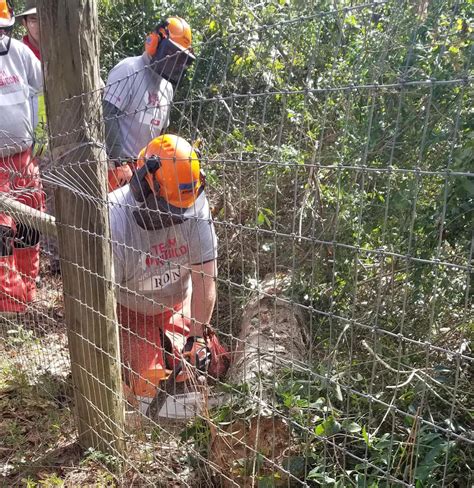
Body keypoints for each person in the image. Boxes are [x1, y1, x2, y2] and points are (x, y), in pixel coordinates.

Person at [108, 134, 229, 412]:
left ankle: (174, 346)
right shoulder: (114, 217)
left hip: (178, 306)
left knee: (212, 366)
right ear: (143, 185)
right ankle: (141, 360)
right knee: (146, 388)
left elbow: (204, 279)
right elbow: (97, 301)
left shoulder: (194, 206)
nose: (176, 217)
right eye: (171, 208)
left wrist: (198, 337)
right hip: (130, 314)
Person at [103, 16, 195, 192]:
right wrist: (119, 161)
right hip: (117, 166)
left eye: (180, 58)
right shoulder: (129, 69)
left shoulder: (167, 87)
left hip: (146, 169)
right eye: (171, 54)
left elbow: (161, 133)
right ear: (154, 42)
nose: (174, 62)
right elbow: (108, 115)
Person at [0, 0, 44, 313]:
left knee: (31, 223)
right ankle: (8, 303)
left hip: (24, 156)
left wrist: (41, 136)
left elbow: (40, 89)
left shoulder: (20, 53)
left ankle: (27, 292)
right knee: (2, 232)